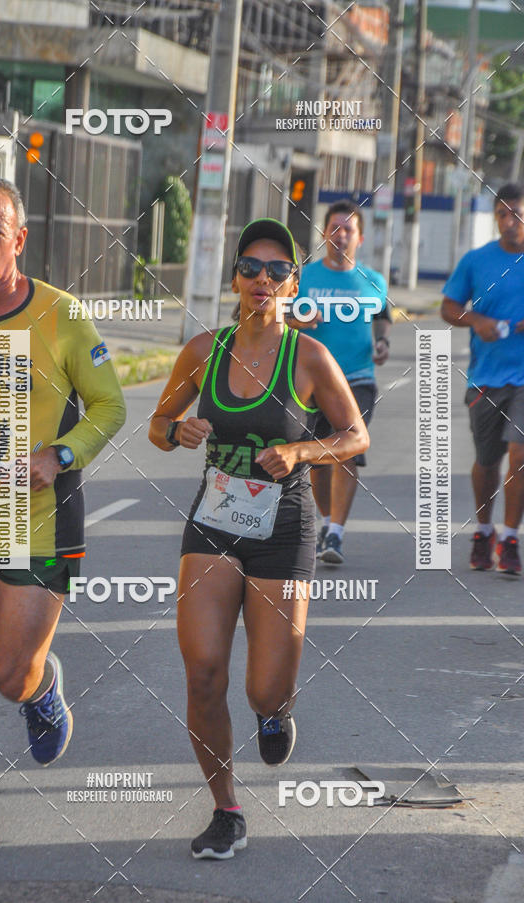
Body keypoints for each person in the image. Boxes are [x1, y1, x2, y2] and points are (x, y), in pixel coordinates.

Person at [149, 217, 368, 860]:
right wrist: (177, 431)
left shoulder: (308, 356)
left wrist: (301, 449)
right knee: (203, 673)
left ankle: (275, 713)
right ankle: (226, 809)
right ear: (235, 277)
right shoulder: (202, 351)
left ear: (294, 282)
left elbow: (355, 436)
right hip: (214, 520)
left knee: (262, 688)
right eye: (251, 267)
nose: (263, 280)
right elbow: (159, 424)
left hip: (284, 528)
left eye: (277, 270)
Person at [0, 177, 126, 857]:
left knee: (10, 672)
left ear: (19, 239)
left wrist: (61, 453)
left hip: (33, 517)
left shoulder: (61, 316)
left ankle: (40, 689)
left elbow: (110, 407)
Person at [292, 199, 390, 565]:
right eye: (334, 227)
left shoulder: (373, 281)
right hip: (311, 382)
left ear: (359, 237)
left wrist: (382, 342)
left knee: (346, 449)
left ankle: (336, 532)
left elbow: (383, 317)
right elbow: (282, 317)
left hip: (358, 379)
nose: (340, 234)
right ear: (323, 233)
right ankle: (327, 520)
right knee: (319, 460)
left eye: (348, 228)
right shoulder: (306, 278)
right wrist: (298, 321)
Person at [441, 182, 524, 576]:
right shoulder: (476, 261)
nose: (510, 222)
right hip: (486, 378)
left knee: (520, 455)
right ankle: (484, 529)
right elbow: (448, 307)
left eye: (518, 214)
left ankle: (510, 537)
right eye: (503, 215)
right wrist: (477, 320)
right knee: (487, 461)